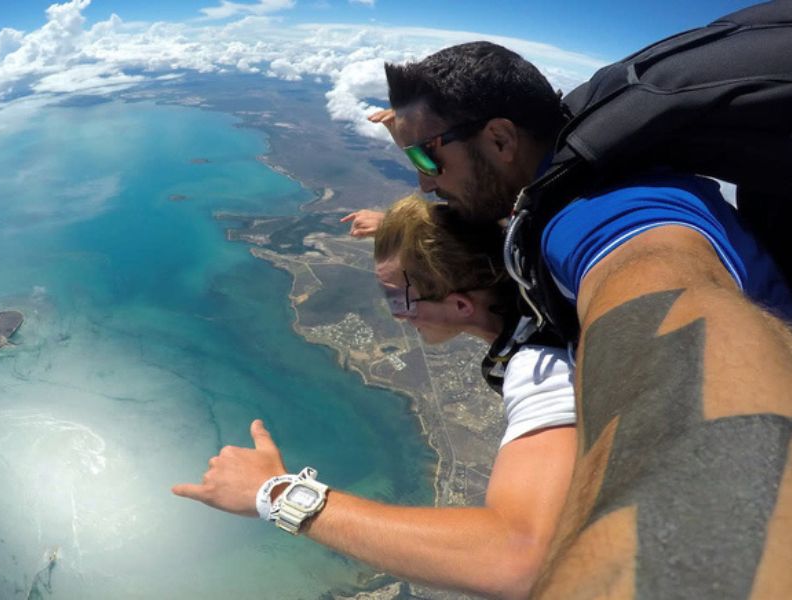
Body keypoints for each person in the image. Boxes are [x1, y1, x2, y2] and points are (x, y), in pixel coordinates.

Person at [378, 42, 792, 598]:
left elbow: (677, 312)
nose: (425, 182)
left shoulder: (601, 220)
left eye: (427, 159)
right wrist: (419, 154)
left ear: (500, 138)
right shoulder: (574, 168)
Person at [174, 194, 577, 599]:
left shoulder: (544, 368)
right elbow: (478, 239)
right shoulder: (540, 267)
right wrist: (401, 232)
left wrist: (274, 493)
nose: (396, 314)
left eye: (396, 298)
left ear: (459, 304)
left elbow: (520, 560)